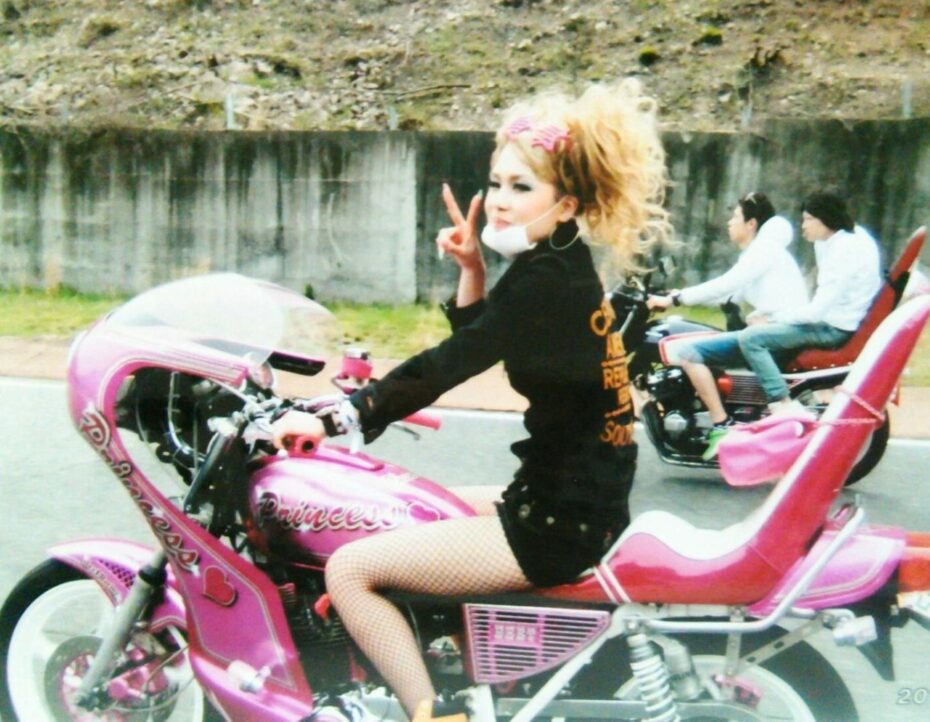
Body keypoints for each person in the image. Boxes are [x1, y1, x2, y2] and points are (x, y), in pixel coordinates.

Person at [271, 79, 671, 722]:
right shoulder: (560, 265)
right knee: (417, 507)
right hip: (569, 500)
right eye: (498, 183)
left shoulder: (546, 279)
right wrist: (472, 273)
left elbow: (452, 363)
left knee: (349, 570)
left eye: (522, 188)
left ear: (565, 204)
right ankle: (454, 662)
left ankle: (433, 712)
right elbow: (488, 340)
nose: (501, 204)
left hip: (555, 522)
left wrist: (341, 413)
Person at [646, 192, 808, 444]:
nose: (729, 223)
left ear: (751, 224)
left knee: (689, 354)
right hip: (779, 331)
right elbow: (729, 294)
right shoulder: (764, 253)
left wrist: (675, 301)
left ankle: (722, 424)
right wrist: (677, 294)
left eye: (735, 217)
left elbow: (725, 284)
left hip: (776, 334)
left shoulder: (763, 251)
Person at [738, 190, 881, 414]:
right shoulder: (849, 239)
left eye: (808, 219)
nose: (803, 226)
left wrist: (772, 318)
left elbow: (815, 312)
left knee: (751, 339)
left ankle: (782, 406)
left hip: (832, 328)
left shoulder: (841, 252)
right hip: (841, 320)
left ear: (826, 218)